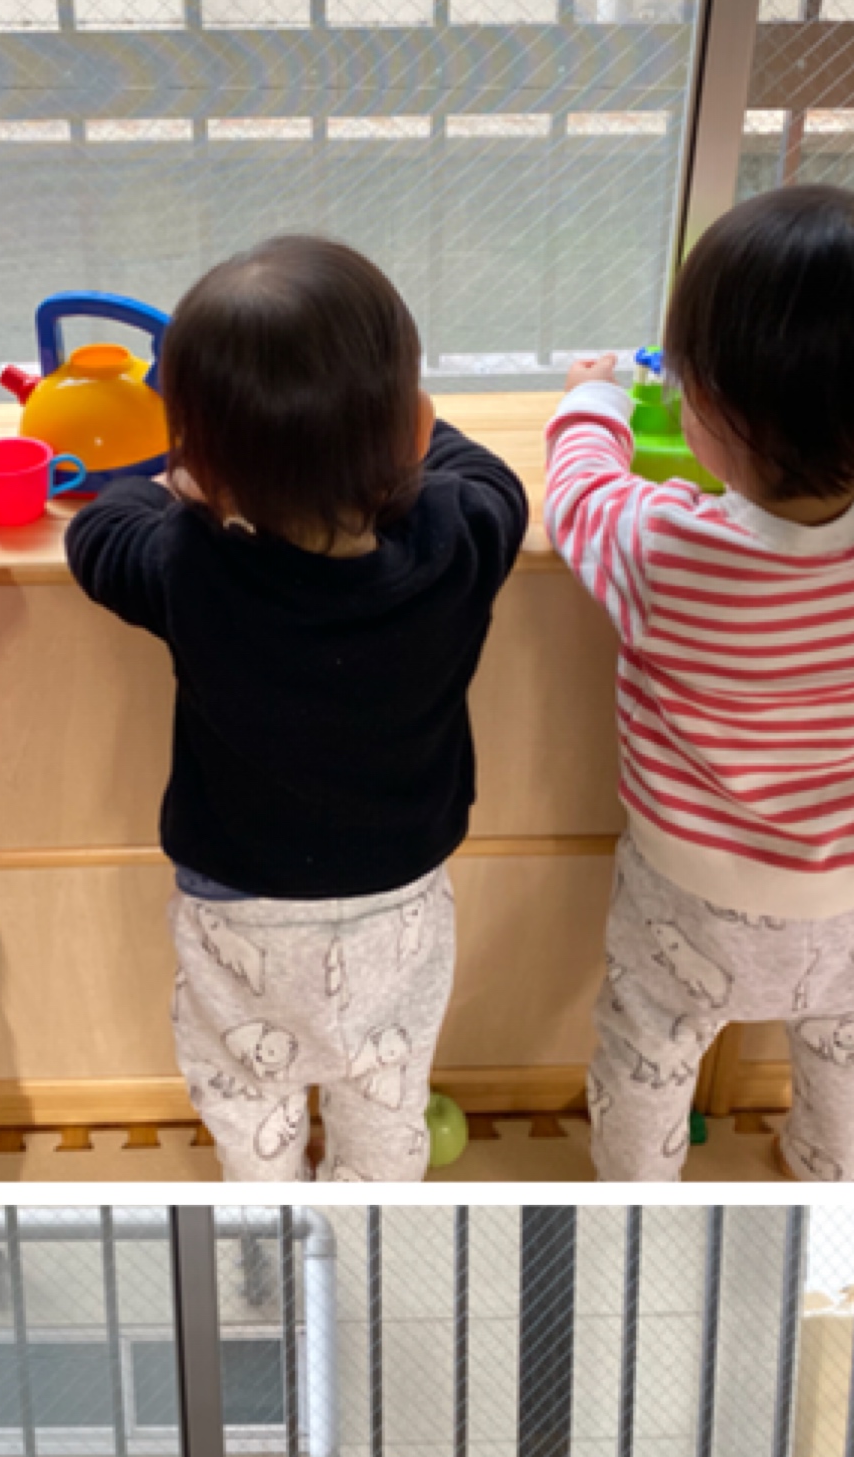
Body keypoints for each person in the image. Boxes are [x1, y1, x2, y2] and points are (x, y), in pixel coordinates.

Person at [65, 235, 528, 1183]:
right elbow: (496, 483)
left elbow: (100, 535)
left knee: (249, 1095)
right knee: (386, 1091)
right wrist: (411, 432)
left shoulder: (192, 565)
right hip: (399, 898)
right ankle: (366, 1221)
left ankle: (269, 1221)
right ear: (410, 429)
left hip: (238, 904)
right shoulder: (458, 539)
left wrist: (170, 487)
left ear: (203, 465)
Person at [544, 184, 854, 1182]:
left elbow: (577, 495)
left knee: (650, 1043)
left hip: (693, 884)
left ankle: (637, 1190)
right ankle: (833, 1171)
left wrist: (594, 397)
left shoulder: (668, 549)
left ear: (719, 411)